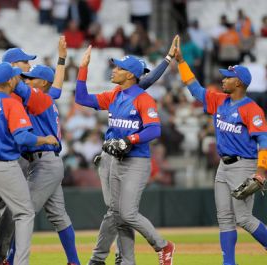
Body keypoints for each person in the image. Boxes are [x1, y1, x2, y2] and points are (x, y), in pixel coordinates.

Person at [75, 46, 175, 265]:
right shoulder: (115, 95)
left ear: (130, 75)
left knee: (127, 213)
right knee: (117, 213)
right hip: (113, 159)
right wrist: (83, 68)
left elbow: (154, 130)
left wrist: (130, 140)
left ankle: (163, 245)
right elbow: (81, 98)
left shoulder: (143, 99)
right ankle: (126, 261)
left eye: (118, 68)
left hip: (135, 161)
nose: (113, 70)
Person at [175, 36, 267, 265]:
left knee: (244, 218)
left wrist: (261, 171)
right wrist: (181, 62)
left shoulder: (251, 109)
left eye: (228, 77)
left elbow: (264, 140)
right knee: (224, 218)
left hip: (244, 164)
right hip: (223, 167)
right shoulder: (219, 101)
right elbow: (195, 89)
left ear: (239, 83)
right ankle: (229, 263)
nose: (223, 80)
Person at [0, 62, 59, 265]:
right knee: (25, 213)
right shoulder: (11, 102)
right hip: (2, 165)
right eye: (15, 77)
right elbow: (23, 139)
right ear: (10, 80)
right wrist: (45, 139)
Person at [4, 36, 81, 265]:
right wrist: (62, 59)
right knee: (59, 216)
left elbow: (22, 86)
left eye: (32, 78)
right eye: (26, 77)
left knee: (23, 213)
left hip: (44, 162)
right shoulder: (49, 95)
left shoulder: (39, 98)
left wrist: (8, 71)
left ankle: (9, 259)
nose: (27, 80)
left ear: (42, 84)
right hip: (46, 162)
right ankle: (74, 262)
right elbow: (57, 84)